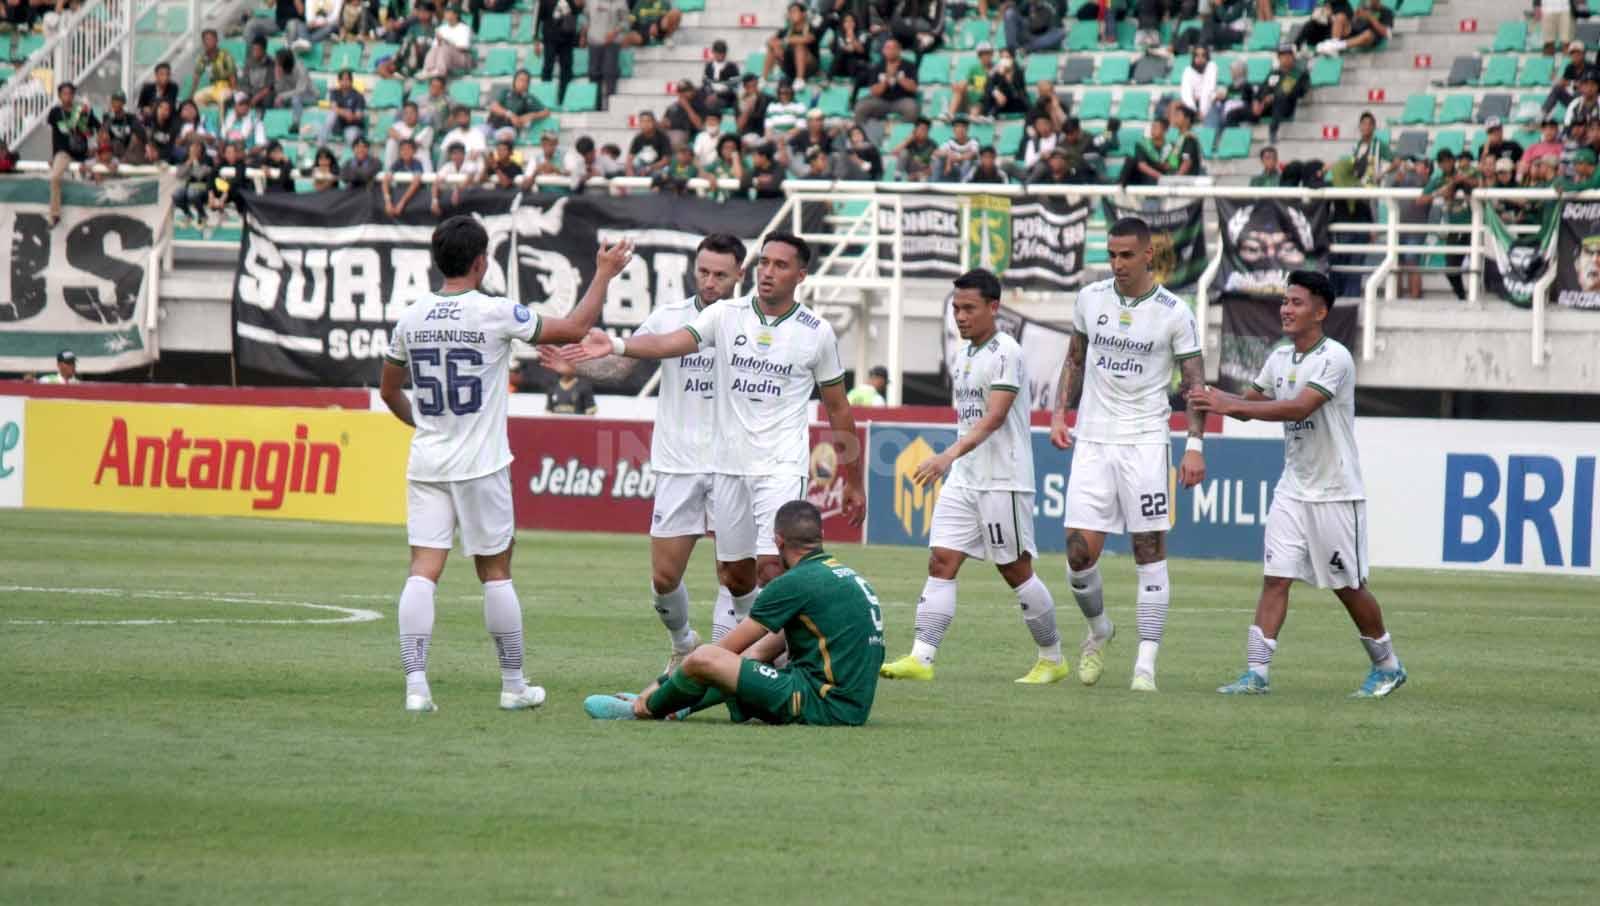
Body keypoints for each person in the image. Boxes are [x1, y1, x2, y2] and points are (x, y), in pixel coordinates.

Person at [378, 220, 634, 713]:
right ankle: (513, 684)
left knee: (422, 571)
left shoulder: (411, 318)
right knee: (495, 571)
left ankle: (415, 687)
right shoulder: (494, 313)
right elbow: (576, 328)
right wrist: (603, 273)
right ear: (481, 262)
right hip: (481, 465)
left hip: (428, 461)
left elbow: (389, 390)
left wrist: (425, 425)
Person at [565, 232, 867, 626]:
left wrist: (854, 480)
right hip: (727, 466)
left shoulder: (817, 331)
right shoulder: (725, 315)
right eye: (765, 263)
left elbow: (839, 409)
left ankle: (788, 660)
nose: (769, 272)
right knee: (735, 576)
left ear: (801, 275)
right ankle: (744, 655)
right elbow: (672, 343)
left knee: (773, 567)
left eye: (781, 265)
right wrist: (619, 345)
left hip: (779, 465)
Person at [1187, 270, 1406, 699]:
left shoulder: (1335, 358)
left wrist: (1224, 402)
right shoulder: (1279, 358)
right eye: (1285, 301)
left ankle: (1388, 666)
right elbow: (1249, 409)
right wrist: (1212, 398)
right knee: (1275, 578)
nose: (1286, 309)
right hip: (1293, 488)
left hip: (1335, 492)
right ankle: (1256, 673)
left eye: (1297, 302)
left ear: (1321, 311)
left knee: (1347, 587)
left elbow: (1297, 408)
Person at [565, 235, 748, 659]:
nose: (710, 281)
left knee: (735, 576)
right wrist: (576, 362)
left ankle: (733, 660)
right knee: (664, 578)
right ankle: (685, 645)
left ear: (740, 274)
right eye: (703, 271)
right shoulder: (668, 316)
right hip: (679, 463)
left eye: (721, 275)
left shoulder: (751, 321)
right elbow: (621, 365)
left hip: (734, 465)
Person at [879, 269, 1066, 683]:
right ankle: (921, 658)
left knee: (1015, 570)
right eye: (955, 308)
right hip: (966, 478)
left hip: (1004, 479)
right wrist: (956, 460)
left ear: (993, 308)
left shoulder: (1008, 352)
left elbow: (995, 417)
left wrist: (947, 455)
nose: (960, 317)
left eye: (969, 308)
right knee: (941, 559)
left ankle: (1052, 658)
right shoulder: (964, 355)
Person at [1049, 217, 1208, 692]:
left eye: (1125, 255)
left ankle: (1145, 665)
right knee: (1078, 555)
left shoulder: (1174, 312)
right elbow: (1075, 358)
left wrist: (1195, 445)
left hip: (1145, 441)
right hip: (1093, 439)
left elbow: (1195, 383)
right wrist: (1060, 412)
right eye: (1111, 255)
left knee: (1148, 551)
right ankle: (1099, 630)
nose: (1116, 264)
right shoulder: (1090, 299)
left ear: (1147, 257)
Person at [583, 500, 885, 727]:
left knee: (704, 657)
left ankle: (644, 707)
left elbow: (721, 652)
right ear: (820, 535)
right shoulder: (848, 576)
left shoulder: (795, 583)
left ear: (778, 540)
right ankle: (676, 704)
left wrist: (657, 689)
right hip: (851, 704)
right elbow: (755, 654)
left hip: (820, 703)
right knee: (738, 663)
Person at [46, 82, 97, 229]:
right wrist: (53, 156)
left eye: (70, 93)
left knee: (97, 176)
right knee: (55, 177)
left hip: (82, 153)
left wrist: (95, 147)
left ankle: (92, 215)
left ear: (74, 95)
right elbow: (65, 128)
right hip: (64, 153)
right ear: (60, 96)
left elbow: (95, 129)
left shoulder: (82, 110)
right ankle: (55, 214)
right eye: (64, 93)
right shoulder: (55, 112)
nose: (68, 96)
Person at [855, 38, 919, 125]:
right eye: (887, 48)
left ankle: (901, 132)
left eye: (893, 48)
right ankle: (861, 134)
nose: (890, 51)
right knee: (861, 107)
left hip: (902, 100)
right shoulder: (877, 67)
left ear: (899, 50)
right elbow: (874, 91)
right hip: (882, 100)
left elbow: (913, 88)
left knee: (912, 108)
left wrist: (896, 76)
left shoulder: (909, 65)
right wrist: (887, 79)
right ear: (884, 51)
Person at [1256, 44, 1308, 143]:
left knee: (1280, 98)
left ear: (1293, 57)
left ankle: (1273, 131)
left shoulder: (1298, 73)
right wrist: (1260, 100)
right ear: (1278, 58)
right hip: (1269, 106)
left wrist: (1273, 97)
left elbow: (1289, 91)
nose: (1286, 58)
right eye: (1283, 56)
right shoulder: (1274, 73)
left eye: (1289, 56)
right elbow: (1263, 89)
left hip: (1287, 106)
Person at [485, 69, 550, 145]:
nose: (523, 83)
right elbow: (494, 106)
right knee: (476, 133)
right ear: (514, 81)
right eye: (521, 80)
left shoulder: (529, 98)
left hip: (509, 129)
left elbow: (546, 112)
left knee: (505, 137)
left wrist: (532, 115)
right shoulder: (505, 92)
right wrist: (510, 114)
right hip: (491, 126)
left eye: (526, 81)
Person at [537, 0, 580, 107]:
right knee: (547, 68)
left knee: (567, 70)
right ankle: (544, 99)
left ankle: (564, 99)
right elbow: (537, 17)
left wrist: (578, 5)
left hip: (567, 39)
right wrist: (536, 39)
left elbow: (576, 13)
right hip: (550, 38)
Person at [587, 0, 629, 111]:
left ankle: (611, 107)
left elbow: (625, 22)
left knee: (610, 73)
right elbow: (586, 17)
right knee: (593, 74)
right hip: (594, 41)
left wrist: (615, 32)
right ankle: (595, 106)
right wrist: (584, 33)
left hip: (612, 42)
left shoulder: (621, 2)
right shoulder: (590, 1)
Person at [191, 29, 239, 119]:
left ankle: (222, 125)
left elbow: (232, 75)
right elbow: (197, 76)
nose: (207, 42)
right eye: (205, 39)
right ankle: (205, 121)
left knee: (222, 99)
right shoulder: (203, 58)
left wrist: (235, 92)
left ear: (216, 41)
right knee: (197, 98)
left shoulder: (225, 55)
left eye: (210, 39)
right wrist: (191, 95)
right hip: (214, 87)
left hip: (226, 87)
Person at [271, 47, 318, 132]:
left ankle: (296, 124)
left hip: (310, 95)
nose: (276, 63)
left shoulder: (300, 68)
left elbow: (300, 90)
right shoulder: (282, 69)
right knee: (275, 99)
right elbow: (280, 91)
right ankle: (280, 127)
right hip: (292, 95)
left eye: (278, 61)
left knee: (295, 98)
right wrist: (278, 78)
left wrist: (282, 96)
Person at [538, 348, 598, 414]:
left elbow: (591, 412)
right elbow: (548, 411)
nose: (566, 366)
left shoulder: (584, 387)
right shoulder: (553, 386)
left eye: (570, 363)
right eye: (564, 363)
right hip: (557, 424)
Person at [421, 3, 472, 78]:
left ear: (456, 15)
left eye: (448, 12)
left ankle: (440, 71)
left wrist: (446, 42)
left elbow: (463, 47)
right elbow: (435, 46)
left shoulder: (464, 28)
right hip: (444, 56)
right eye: (445, 12)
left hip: (461, 57)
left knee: (445, 48)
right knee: (434, 49)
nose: (445, 14)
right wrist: (439, 42)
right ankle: (427, 70)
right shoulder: (441, 28)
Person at [319, 69, 367, 147]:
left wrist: (351, 116)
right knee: (331, 115)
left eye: (347, 79)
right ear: (339, 81)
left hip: (352, 125)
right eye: (342, 79)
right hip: (337, 125)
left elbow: (359, 115)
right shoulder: (334, 92)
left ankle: (350, 158)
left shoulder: (358, 96)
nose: (344, 82)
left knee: (351, 135)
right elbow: (334, 107)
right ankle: (321, 147)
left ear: (351, 81)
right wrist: (345, 113)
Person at [949, 41, 994, 119]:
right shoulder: (974, 68)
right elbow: (966, 83)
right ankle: (950, 114)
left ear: (991, 54)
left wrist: (974, 89)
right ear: (979, 56)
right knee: (959, 87)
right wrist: (959, 86)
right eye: (982, 54)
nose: (985, 56)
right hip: (972, 99)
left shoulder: (996, 69)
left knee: (975, 110)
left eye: (987, 53)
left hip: (984, 101)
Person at [384, 102, 435, 171]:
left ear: (417, 114)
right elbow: (389, 131)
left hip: (419, 159)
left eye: (411, 113)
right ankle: (389, 171)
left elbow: (413, 144)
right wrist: (401, 139)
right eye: (406, 113)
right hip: (402, 160)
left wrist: (402, 141)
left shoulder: (426, 128)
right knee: (391, 142)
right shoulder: (399, 125)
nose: (408, 116)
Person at [1181, 46, 1222, 129]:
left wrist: (1202, 111)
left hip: (1209, 103)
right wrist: (1195, 111)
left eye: (1203, 56)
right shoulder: (1188, 71)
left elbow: (1208, 91)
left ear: (1207, 57)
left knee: (1216, 104)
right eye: (1197, 55)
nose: (1200, 59)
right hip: (1193, 107)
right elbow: (1186, 94)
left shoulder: (1211, 66)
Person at [382, 138, 425, 216]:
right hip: (398, 196)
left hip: (415, 199)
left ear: (414, 151)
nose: (405, 152)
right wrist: (388, 203)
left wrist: (402, 203)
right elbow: (386, 179)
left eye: (408, 149)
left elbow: (416, 182)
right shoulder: (397, 163)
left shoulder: (417, 163)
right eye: (402, 149)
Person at [932, 115, 980, 182]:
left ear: (967, 128)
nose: (960, 129)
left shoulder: (973, 141)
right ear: (954, 129)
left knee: (968, 162)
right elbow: (936, 152)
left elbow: (973, 154)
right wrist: (948, 155)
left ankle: (963, 186)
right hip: (954, 171)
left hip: (969, 174)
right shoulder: (949, 142)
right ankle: (934, 185)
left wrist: (958, 158)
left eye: (963, 126)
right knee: (938, 161)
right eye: (957, 126)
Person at [625, 111, 671, 176]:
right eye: (642, 121)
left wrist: (649, 168)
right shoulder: (638, 138)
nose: (645, 124)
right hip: (640, 168)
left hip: (657, 169)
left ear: (654, 122)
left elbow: (666, 160)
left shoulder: (663, 138)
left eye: (648, 121)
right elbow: (629, 159)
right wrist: (629, 171)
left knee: (663, 173)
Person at [702, 38, 740, 113]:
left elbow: (733, 88)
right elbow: (705, 83)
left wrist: (717, 95)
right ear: (713, 52)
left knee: (712, 104)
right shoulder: (709, 66)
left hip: (726, 98)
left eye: (722, 53)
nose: (720, 55)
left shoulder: (732, 67)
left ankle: (713, 122)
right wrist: (710, 93)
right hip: (710, 95)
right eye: (718, 53)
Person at [238, 38, 277, 111]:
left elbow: (269, 87)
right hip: (251, 93)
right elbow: (244, 83)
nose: (254, 52)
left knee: (268, 99)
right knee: (239, 97)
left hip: (263, 94)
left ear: (264, 50)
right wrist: (247, 94)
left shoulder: (271, 63)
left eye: (257, 49)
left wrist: (256, 98)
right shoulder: (249, 63)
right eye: (253, 49)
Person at [895, 116, 938, 181]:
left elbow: (934, 166)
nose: (923, 132)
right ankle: (897, 180)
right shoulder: (909, 142)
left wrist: (919, 174)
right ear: (915, 129)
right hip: (909, 171)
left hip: (924, 173)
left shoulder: (932, 144)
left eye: (926, 130)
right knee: (904, 152)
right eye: (921, 129)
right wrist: (909, 139)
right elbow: (895, 152)